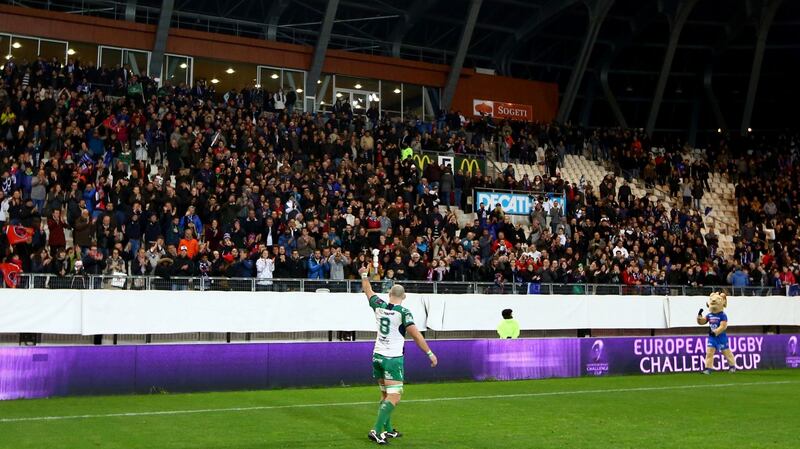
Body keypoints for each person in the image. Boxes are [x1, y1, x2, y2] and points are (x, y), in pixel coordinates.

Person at [358, 266, 438, 445]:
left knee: (385, 395)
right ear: (404, 296)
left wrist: (364, 274)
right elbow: (416, 335)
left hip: (377, 356)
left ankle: (387, 430)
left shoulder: (379, 305)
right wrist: (430, 353)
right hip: (392, 359)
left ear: (389, 294)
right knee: (395, 396)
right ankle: (376, 431)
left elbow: (367, 289)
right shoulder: (403, 313)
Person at [697, 293, 736, 374]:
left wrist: (716, 332)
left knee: (726, 353)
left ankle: (732, 366)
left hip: (721, 337)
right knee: (709, 353)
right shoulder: (709, 315)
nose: (713, 301)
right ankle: (708, 368)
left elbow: (723, 326)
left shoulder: (723, 315)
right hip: (712, 337)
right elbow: (703, 321)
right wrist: (699, 318)